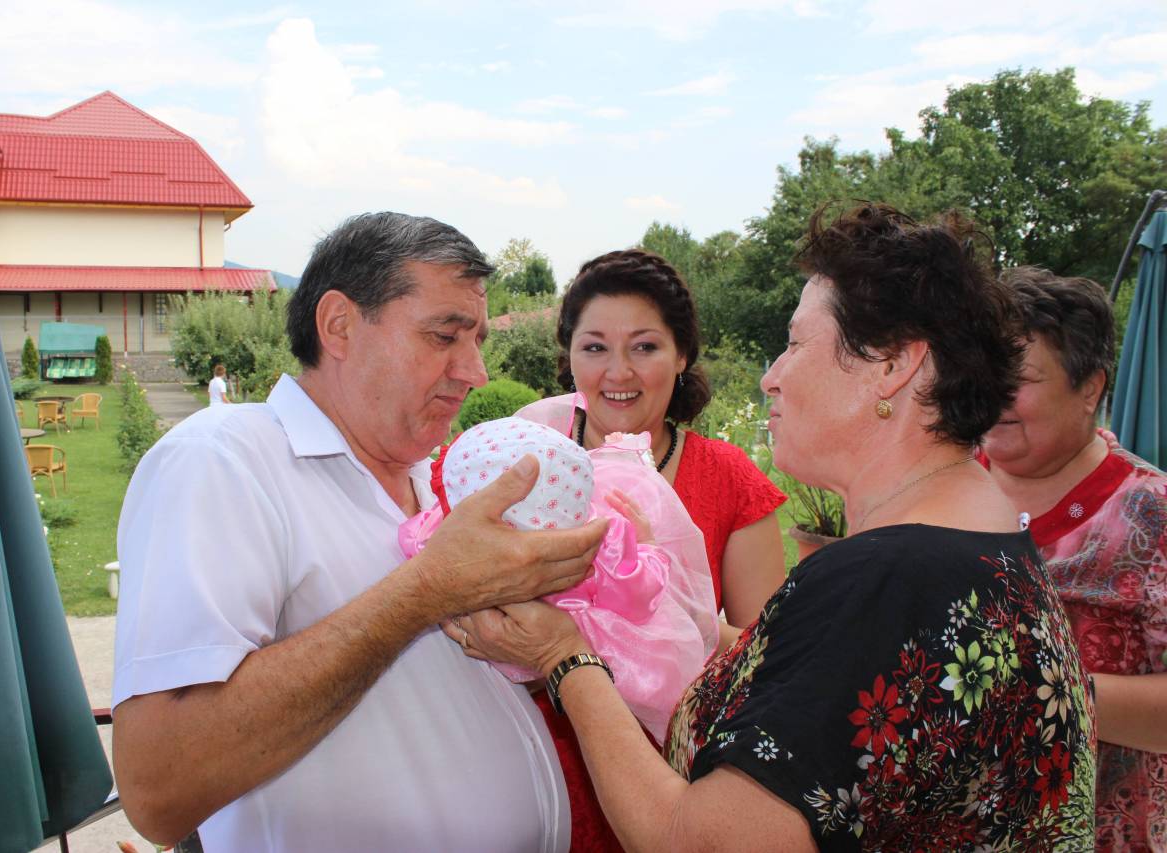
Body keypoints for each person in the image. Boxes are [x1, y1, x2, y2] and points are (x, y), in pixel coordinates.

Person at [453, 204, 1098, 851]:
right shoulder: (977, 544)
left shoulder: (883, 581)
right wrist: (662, 600)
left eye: (795, 343)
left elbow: (697, 843)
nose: (771, 377)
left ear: (892, 365)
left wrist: (563, 657)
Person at [110, 212, 608, 852]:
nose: (475, 371)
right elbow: (158, 784)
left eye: (477, 341)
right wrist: (426, 591)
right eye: (444, 336)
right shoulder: (223, 459)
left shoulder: (437, 479)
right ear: (339, 325)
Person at [515, 247, 787, 850]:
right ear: (569, 356)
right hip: (528, 777)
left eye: (644, 346)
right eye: (594, 347)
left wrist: (666, 605)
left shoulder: (729, 480)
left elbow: (768, 663)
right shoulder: (526, 461)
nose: (618, 372)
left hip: (669, 790)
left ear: (681, 354)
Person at [981, 268, 1167, 851]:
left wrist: (1036, 691)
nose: (993, 391)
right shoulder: (938, 488)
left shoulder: (1152, 515)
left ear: (1090, 387)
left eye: (1021, 377)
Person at [400, 415, 717, 741]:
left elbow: (412, 537)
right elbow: (640, 595)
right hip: (594, 658)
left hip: (493, 658)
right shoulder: (600, 542)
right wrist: (649, 548)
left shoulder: (448, 538)